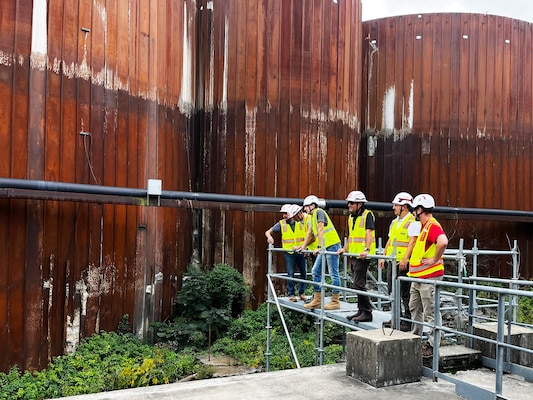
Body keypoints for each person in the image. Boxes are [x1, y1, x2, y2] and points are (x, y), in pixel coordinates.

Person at [408, 194, 449, 357]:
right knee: (414, 308)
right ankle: (415, 338)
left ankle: (433, 345)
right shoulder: (423, 226)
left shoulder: (432, 226)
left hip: (429, 277)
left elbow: (443, 241)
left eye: (414, 209)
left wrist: (434, 259)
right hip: (418, 277)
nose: (412, 212)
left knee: (430, 311)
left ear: (420, 209)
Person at [379, 192, 420, 331]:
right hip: (393, 261)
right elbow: (390, 241)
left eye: (396, 205)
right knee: (392, 291)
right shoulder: (394, 222)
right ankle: (396, 317)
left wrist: (405, 259)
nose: (393, 207)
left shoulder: (413, 222)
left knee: (405, 292)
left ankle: (407, 321)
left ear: (404, 206)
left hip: (403, 263)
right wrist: (383, 257)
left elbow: (412, 242)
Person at [295, 195, 342, 310]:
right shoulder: (312, 217)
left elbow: (321, 229)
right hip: (326, 246)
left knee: (333, 273)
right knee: (315, 271)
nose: (304, 209)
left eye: (306, 207)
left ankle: (335, 301)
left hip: (332, 245)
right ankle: (317, 299)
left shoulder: (319, 212)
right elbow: (310, 234)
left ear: (312, 205)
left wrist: (320, 246)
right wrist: (303, 246)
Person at [338, 191, 376, 322]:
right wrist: (345, 249)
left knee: (358, 284)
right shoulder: (351, 217)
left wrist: (367, 249)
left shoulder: (368, 215)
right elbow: (351, 236)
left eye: (352, 203)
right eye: (349, 202)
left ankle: (367, 312)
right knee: (357, 284)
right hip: (354, 254)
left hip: (363, 255)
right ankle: (361, 310)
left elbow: (369, 232)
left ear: (360, 204)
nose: (349, 205)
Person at [265, 204, 307, 301]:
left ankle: (302, 293)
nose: (284, 216)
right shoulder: (281, 224)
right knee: (290, 274)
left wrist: (306, 249)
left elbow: (306, 237)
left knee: (303, 273)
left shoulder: (301, 223)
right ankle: (291, 294)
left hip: (301, 251)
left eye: (285, 214)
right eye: (283, 214)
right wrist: (270, 237)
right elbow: (267, 232)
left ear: (292, 214)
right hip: (289, 253)